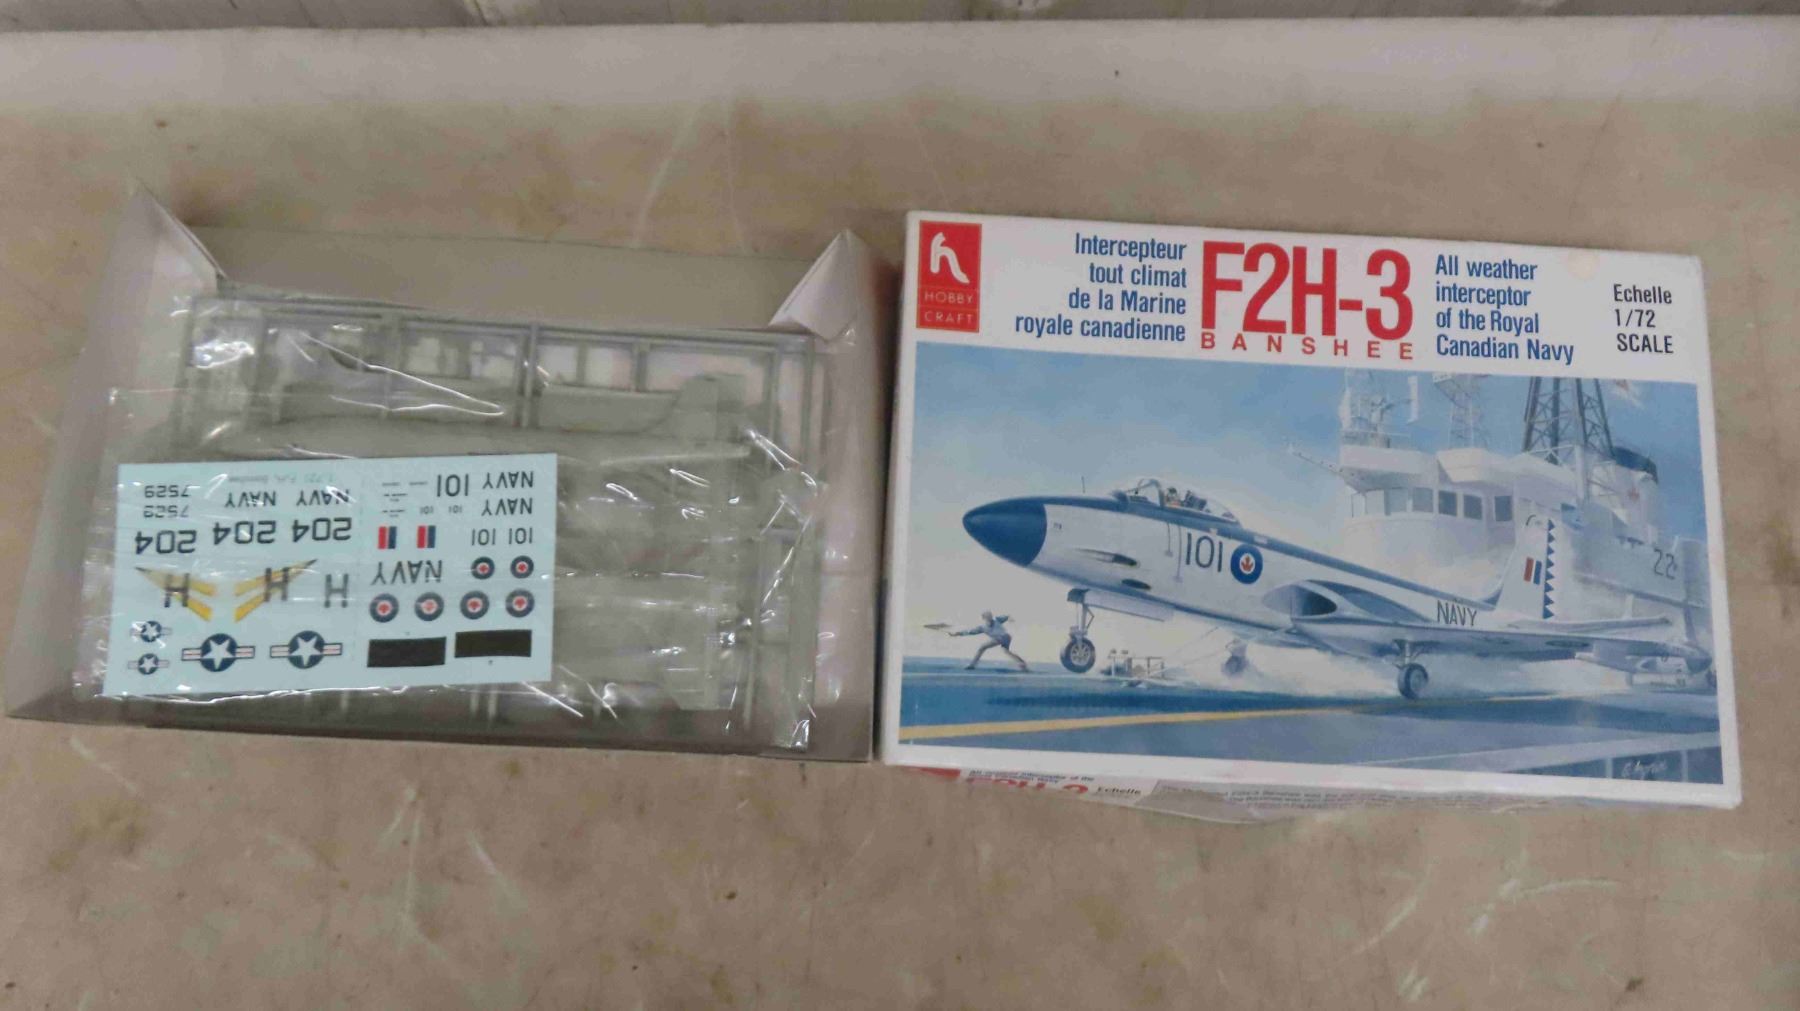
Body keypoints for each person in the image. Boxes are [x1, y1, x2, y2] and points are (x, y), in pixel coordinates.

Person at [952, 611, 1029, 671]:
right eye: (987, 616)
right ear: (984, 618)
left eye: (990, 616)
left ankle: (972, 665)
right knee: (1005, 651)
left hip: (1005, 637)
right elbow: (970, 632)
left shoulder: (997, 619)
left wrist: (1010, 619)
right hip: (1003, 638)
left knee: (983, 647)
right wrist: (958, 633)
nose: (989, 617)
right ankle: (1022, 663)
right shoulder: (982, 627)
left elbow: (1007, 616)